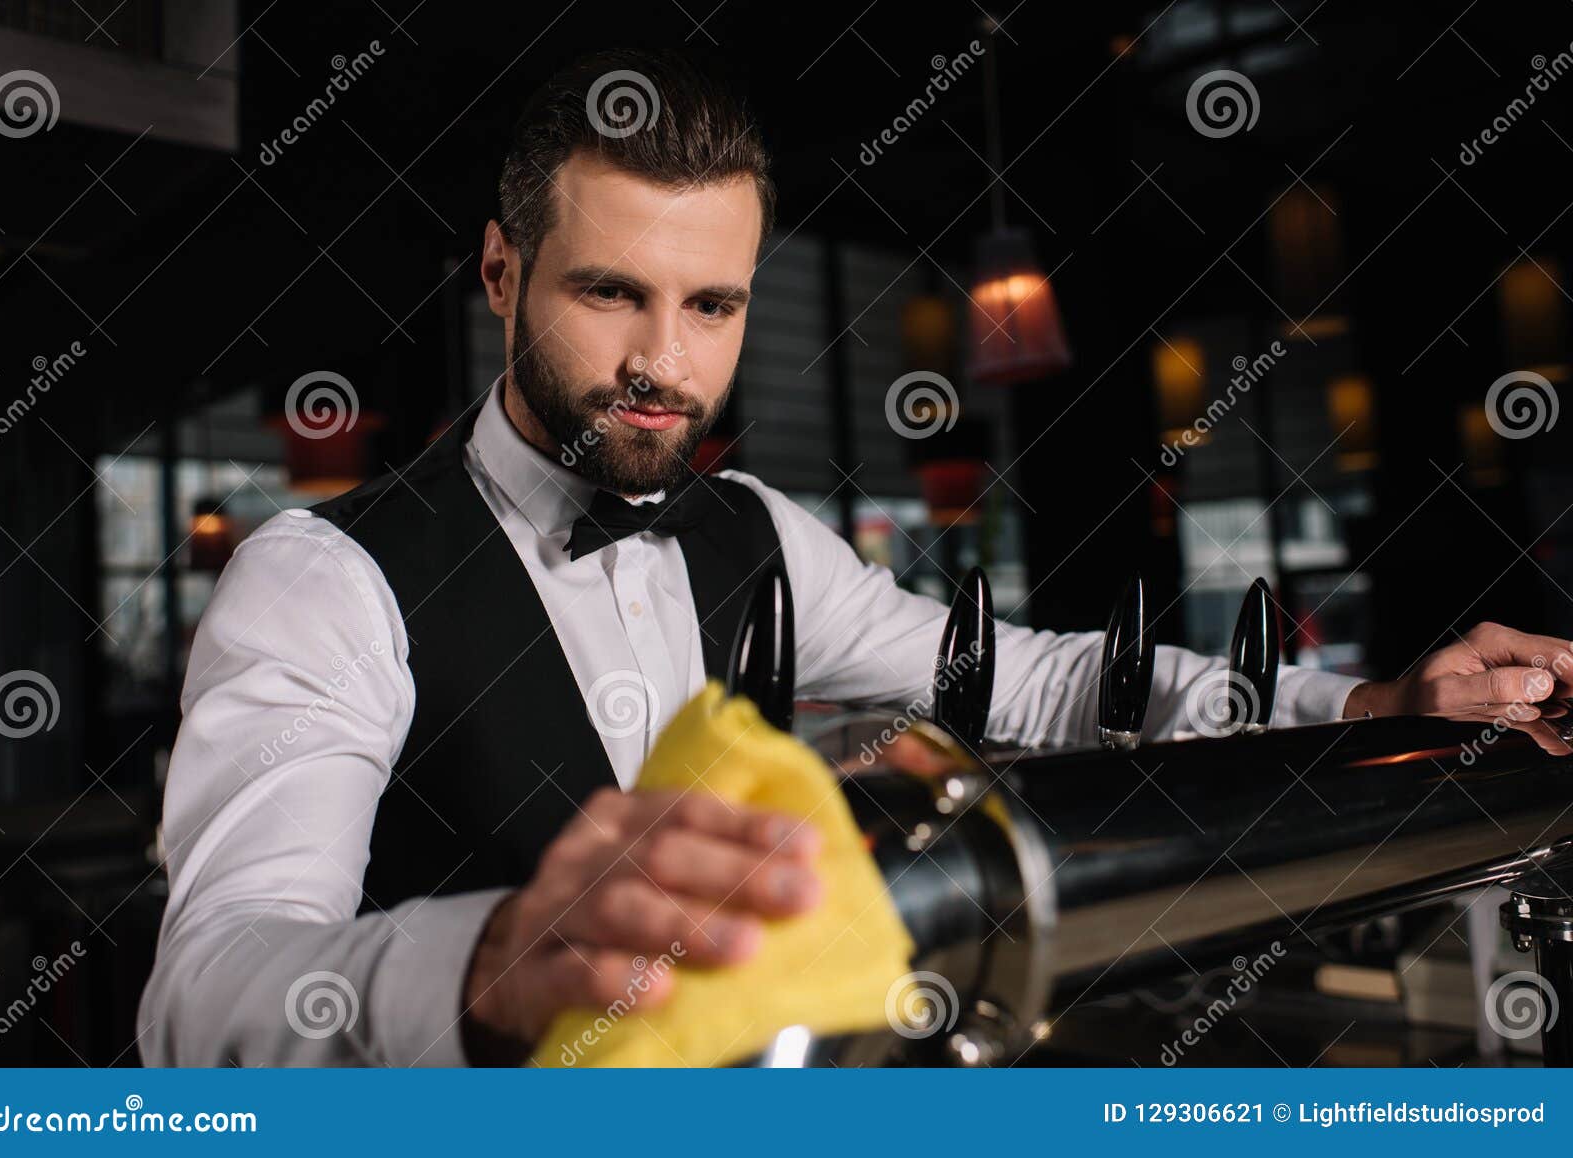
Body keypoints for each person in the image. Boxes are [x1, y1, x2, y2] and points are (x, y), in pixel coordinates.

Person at [137, 45, 1573, 1067]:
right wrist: (484, 961)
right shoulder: (327, 577)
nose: (663, 363)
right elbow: (202, 999)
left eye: (712, 305)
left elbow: (1047, 684)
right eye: (611, 292)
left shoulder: (757, 533)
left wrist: (1367, 711)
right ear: (503, 274)